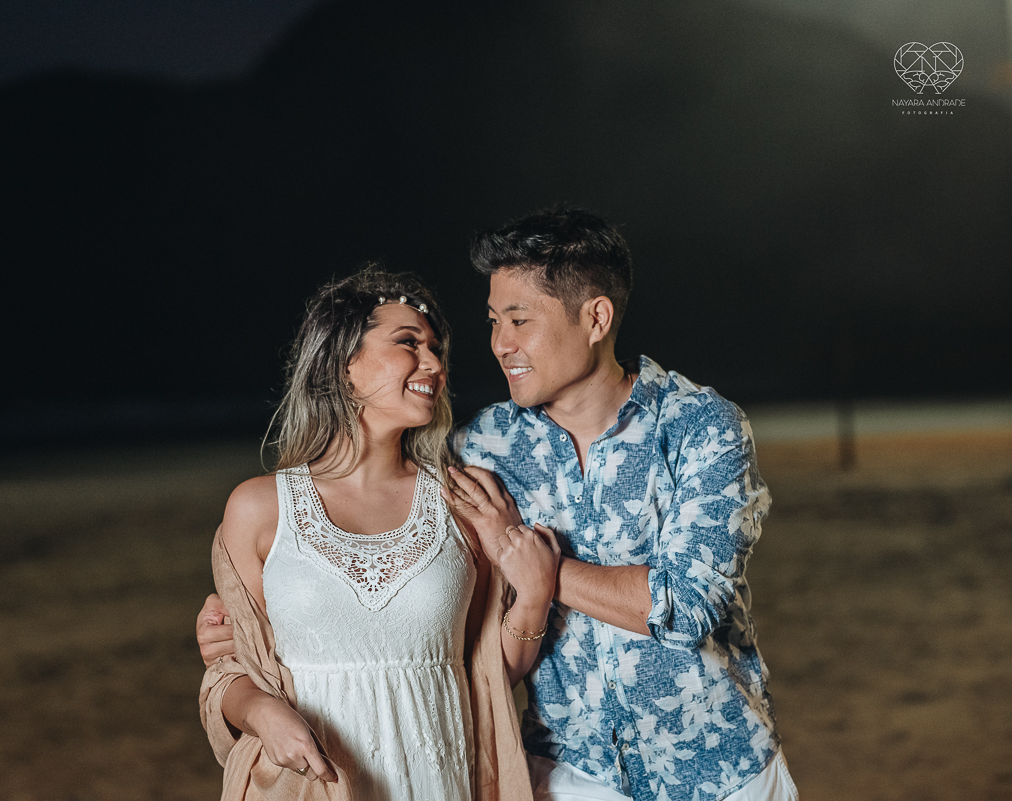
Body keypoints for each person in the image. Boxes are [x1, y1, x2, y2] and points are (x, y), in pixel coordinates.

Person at [201, 208, 799, 801]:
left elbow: (688, 605)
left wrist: (539, 570)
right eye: (492, 321)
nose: (499, 344)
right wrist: (233, 641)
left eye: (519, 320)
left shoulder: (700, 427)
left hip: (722, 767)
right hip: (571, 775)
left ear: (595, 317)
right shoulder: (480, 451)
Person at [201, 266, 555, 801]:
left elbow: (486, 674)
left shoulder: (464, 500)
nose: (434, 364)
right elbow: (231, 664)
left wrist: (532, 597)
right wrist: (263, 713)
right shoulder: (258, 508)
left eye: (436, 349)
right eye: (408, 343)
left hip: (439, 778)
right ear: (342, 363)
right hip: (312, 787)